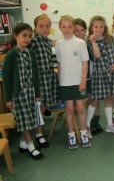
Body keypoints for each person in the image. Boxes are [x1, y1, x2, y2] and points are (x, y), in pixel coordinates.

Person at [3, 23, 44, 160]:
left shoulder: (31, 54)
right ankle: (31, 145)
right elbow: (7, 79)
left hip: (30, 92)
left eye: (29, 36)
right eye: (24, 35)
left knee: (29, 119)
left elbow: (35, 76)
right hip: (18, 94)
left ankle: (23, 143)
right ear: (16, 36)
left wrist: (37, 93)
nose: (27, 39)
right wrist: (8, 99)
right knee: (24, 121)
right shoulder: (10, 56)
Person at [55, 15, 91, 149]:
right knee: (69, 109)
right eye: (64, 27)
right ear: (60, 28)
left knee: (80, 108)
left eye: (70, 26)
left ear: (73, 27)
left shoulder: (80, 43)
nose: (67, 29)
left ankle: (83, 133)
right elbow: (59, 63)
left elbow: (85, 63)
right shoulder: (58, 44)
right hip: (65, 82)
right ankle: (71, 135)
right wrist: (59, 80)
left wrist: (83, 82)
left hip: (78, 81)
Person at [29, 14, 63, 148]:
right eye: (41, 26)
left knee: (44, 106)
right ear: (35, 28)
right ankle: (39, 134)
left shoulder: (48, 41)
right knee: (39, 107)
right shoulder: (33, 42)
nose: (45, 29)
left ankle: (40, 132)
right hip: (39, 79)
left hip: (48, 77)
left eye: (47, 26)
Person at [86, 15, 114, 135]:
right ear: (91, 28)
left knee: (109, 99)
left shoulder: (110, 38)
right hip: (99, 75)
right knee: (94, 101)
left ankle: (109, 124)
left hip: (111, 73)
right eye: (96, 27)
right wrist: (93, 42)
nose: (98, 29)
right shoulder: (90, 42)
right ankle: (87, 126)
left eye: (101, 27)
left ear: (104, 27)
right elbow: (97, 55)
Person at [74, 18, 103, 137]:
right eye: (76, 30)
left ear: (86, 31)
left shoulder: (88, 42)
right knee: (82, 102)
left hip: (91, 75)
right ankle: (86, 126)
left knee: (94, 99)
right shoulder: (72, 43)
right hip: (77, 78)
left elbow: (95, 57)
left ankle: (94, 123)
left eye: (82, 30)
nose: (80, 33)